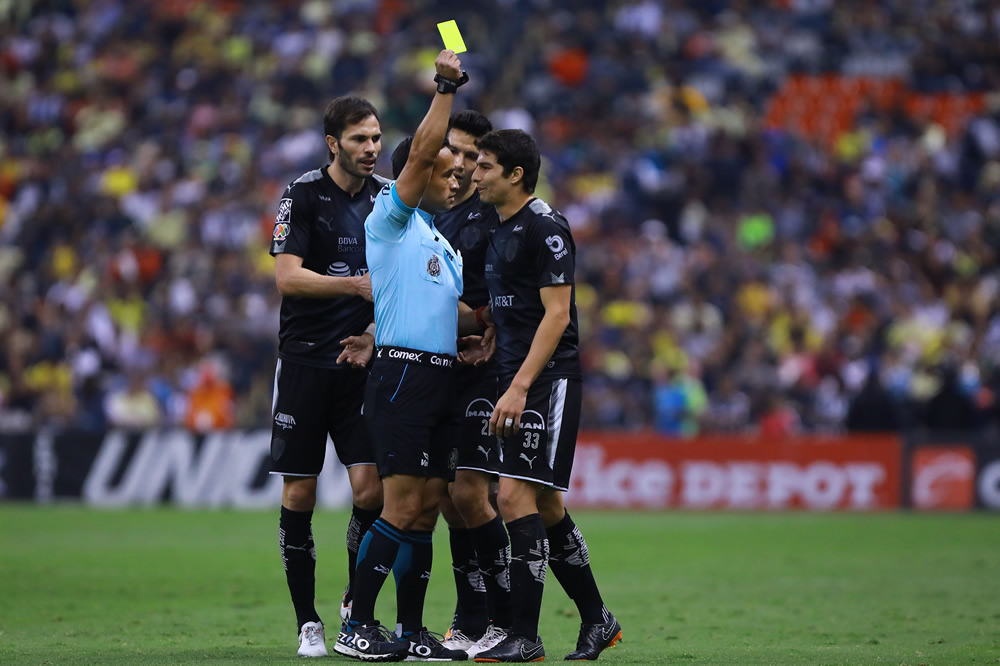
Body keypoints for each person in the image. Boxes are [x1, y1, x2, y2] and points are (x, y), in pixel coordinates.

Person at [333, 50, 488, 663]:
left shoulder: (441, 243)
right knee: (399, 506)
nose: (457, 178)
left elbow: (447, 312)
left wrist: (490, 327)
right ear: (415, 175)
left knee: (425, 510)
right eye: (447, 168)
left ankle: (410, 632)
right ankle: (356, 623)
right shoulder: (389, 221)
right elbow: (423, 152)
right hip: (401, 376)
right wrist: (445, 87)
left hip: (441, 377)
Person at [470, 129, 623, 662]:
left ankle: (525, 636)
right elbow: (514, 308)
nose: (474, 173)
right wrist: (492, 333)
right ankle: (597, 620)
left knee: (512, 498)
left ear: (515, 174)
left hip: (547, 382)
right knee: (548, 505)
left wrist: (518, 386)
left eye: (485, 166)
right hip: (516, 378)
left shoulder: (546, 227)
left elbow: (558, 314)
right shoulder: (499, 227)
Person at [268, 95, 386, 658]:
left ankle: (352, 604)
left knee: (373, 491)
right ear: (332, 143)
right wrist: (353, 286)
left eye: (377, 138)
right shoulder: (301, 194)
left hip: (361, 365)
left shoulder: (389, 199)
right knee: (301, 490)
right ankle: (306, 622)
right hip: (305, 363)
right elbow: (288, 279)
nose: (372, 149)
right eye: (360, 139)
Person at [433, 111, 513, 658]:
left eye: (470, 156)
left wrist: (485, 323)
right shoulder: (440, 218)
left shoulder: (492, 220)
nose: (459, 165)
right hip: (443, 371)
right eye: (452, 152)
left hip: (485, 370)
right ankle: (470, 615)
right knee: (446, 497)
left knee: (471, 493)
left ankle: (504, 617)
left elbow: (510, 297)